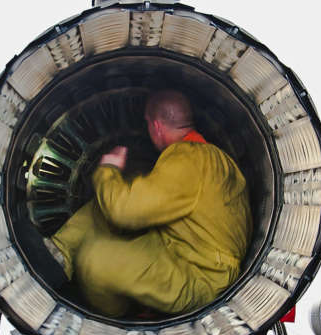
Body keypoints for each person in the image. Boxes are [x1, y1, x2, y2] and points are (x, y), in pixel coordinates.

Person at [28, 90, 251, 318]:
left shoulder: (190, 157)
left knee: (95, 260)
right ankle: (58, 254)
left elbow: (124, 212)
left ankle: (122, 318)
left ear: (155, 125)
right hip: (179, 249)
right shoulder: (215, 159)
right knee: (103, 206)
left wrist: (108, 170)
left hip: (202, 277)